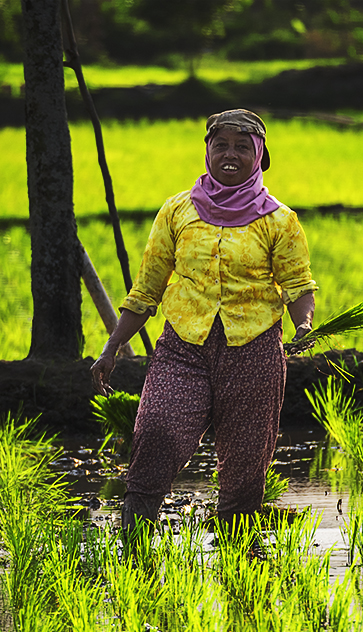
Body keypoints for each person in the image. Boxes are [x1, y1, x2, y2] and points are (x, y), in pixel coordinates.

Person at [91, 109, 317, 535]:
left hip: (252, 352)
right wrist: (111, 346)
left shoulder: (279, 220)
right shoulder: (177, 211)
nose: (230, 154)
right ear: (207, 151)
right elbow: (146, 290)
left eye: (242, 147)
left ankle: (238, 556)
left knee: (245, 465)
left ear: (259, 155)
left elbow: (298, 285)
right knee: (157, 434)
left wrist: (303, 325)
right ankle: (134, 549)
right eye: (221, 145)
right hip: (183, 350)